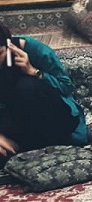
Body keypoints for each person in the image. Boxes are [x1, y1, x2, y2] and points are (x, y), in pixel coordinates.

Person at [0, 22, 87, 158]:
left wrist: (33, 71)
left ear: (7, 44)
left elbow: (66, 87)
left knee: (27, 86)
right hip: (12, 123)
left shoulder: (31, 47)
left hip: (49, 116)